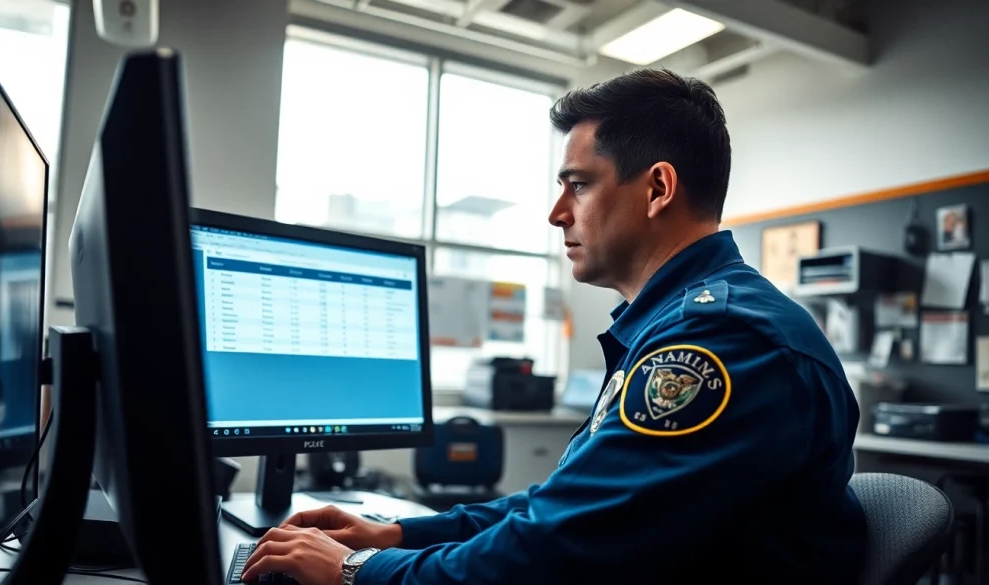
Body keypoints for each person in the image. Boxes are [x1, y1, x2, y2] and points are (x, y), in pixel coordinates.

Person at [240, 68, 868, 585]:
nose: (556, 213)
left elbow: (554, 554)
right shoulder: (680, 323)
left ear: (657, 188)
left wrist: (355, 571)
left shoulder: (719, 341)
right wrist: (399, 534)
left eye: (579, 185)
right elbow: (569, 506)